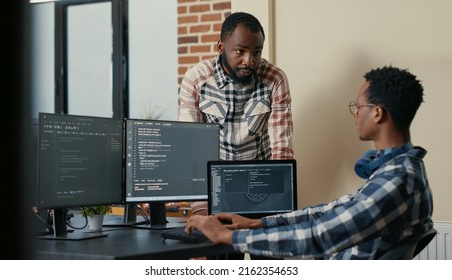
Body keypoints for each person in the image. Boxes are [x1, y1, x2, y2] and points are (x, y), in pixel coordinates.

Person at [184, 65, 434, 259]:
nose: (355, 112)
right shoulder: (399, 168)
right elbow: (334, 210)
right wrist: (258, 222)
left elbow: (320, 237)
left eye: (358, 106)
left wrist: (230, 238)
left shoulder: (396, 180)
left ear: (377, 113)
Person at [178, 12, 294, 216]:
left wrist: (278, 206)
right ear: (221, 46)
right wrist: (201, 208)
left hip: (261, 184)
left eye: (256, 52)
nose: (249, 61)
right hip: (215, 188)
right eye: (240, 51)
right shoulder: (196, 79)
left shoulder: (274, 79)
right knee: (214, 244)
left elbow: (282, 149)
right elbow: (191, 151)